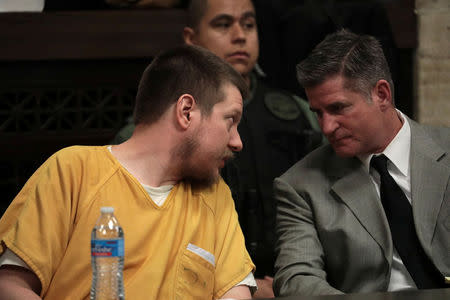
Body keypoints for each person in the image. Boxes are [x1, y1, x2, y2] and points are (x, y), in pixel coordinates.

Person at [0, 45, 256, 299]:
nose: (237, 142)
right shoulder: (73, 170)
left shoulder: (215, 196)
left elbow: (236, 295)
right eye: (230, 121)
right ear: (186, 111)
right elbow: (9, 285)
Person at [112, 1, 323, 297]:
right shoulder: (156, 130)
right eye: (223, 25)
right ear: (191, 38)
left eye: (248, 24)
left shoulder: (301, 113)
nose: (240, 35)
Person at [273, 29, 450, 296]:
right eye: (318, 113)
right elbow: (297, 280)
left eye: (337, 108)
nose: (326, 127)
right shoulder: (300, 185)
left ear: (381, 94)